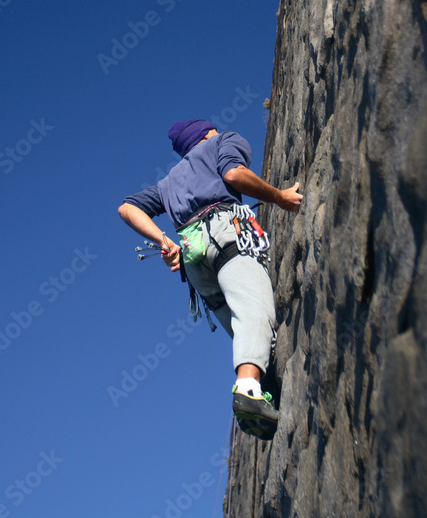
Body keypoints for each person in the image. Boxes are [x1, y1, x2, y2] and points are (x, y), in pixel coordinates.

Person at [118, 118, 302, 438]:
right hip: (226, 232)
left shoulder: (168, 182)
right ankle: (248, 390)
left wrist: (164, 242)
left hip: (194, 259)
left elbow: (127, 207)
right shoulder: (222, 141)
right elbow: (234, 174)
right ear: (207, 133)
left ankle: (262, 385)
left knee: (244, 328)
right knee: (253, 310)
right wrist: (279, 197)